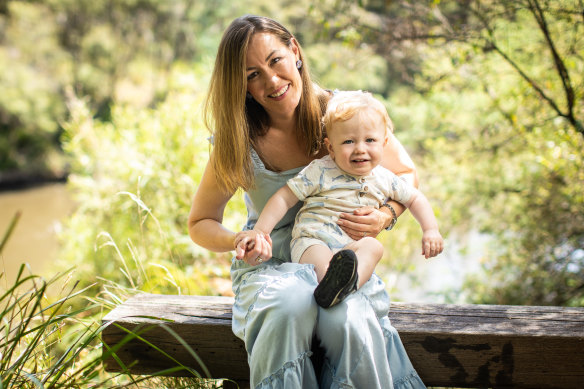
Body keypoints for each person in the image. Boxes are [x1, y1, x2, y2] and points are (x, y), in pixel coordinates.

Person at [188, 14, 427, 388]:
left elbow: (406, 175)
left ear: (294, 51)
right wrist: (238, 239)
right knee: (290, 303)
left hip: (334, 261)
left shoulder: (345, 114)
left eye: (275, 61)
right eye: (252, 75)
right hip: (271, 266)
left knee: (345, 317)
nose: (271, 81)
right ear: (242, 86)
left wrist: (385, 215)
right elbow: (200, 222)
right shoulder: (238, 139)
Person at [235, 90, 443, 309]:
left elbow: (415, 198)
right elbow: (283, 198)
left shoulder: (385, 178)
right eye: (348, 141)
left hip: (351, 249)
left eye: (370, 140)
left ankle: (347, 286)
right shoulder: (321, 170)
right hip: (314, 239)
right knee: (320, 259)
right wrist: (260, 230)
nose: (360, 149)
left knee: (373, 247)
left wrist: (430, 230)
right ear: (331, 148)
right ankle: (330, 285)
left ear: (384, 143)